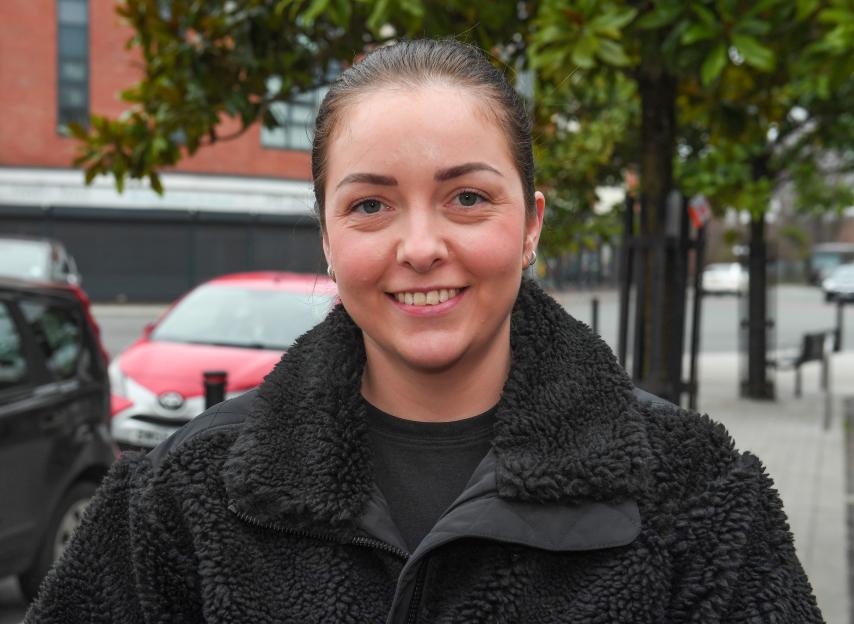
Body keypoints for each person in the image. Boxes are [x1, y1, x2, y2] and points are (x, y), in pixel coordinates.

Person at [26, 39, 822, 624]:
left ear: (532, 224)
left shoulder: (698, 491)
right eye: (370, 205)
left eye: (467, 198)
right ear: (328, 239)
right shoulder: (182, 498)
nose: (419, 247)